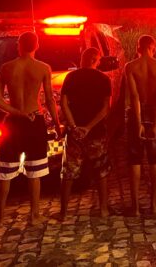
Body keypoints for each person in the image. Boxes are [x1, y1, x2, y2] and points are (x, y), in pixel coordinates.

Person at [0, 31, 61, 227]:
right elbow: (49, 101)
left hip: (13, 122)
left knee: (5, 172)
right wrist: (56, 125)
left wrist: (16, 112)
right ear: (37, 46)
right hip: (34, 121)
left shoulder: (6, 68)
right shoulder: (43, 68)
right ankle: (34, 215)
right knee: (35, 170)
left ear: (18, 45)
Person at [54, 47, 113, 221]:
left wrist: (73, 126)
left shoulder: (71, 77)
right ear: (97, 60)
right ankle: (103, 209)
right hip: (96, 133)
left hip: (75, 134)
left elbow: (63, 103)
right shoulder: (104, 79)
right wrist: (89, 127)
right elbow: (105, 108)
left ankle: (64, 212)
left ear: (82, 59)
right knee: (101, 170)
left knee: (68, 173)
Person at [123, 35, 156, 215]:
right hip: (154, 113)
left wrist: (139, 121)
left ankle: (135, 208)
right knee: (155, 159)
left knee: (135, 160)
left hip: (137, 113)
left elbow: (134, 96)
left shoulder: (131, 67)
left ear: (138, 48)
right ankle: (154, 204)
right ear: (153, 47)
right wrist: (155, 124)